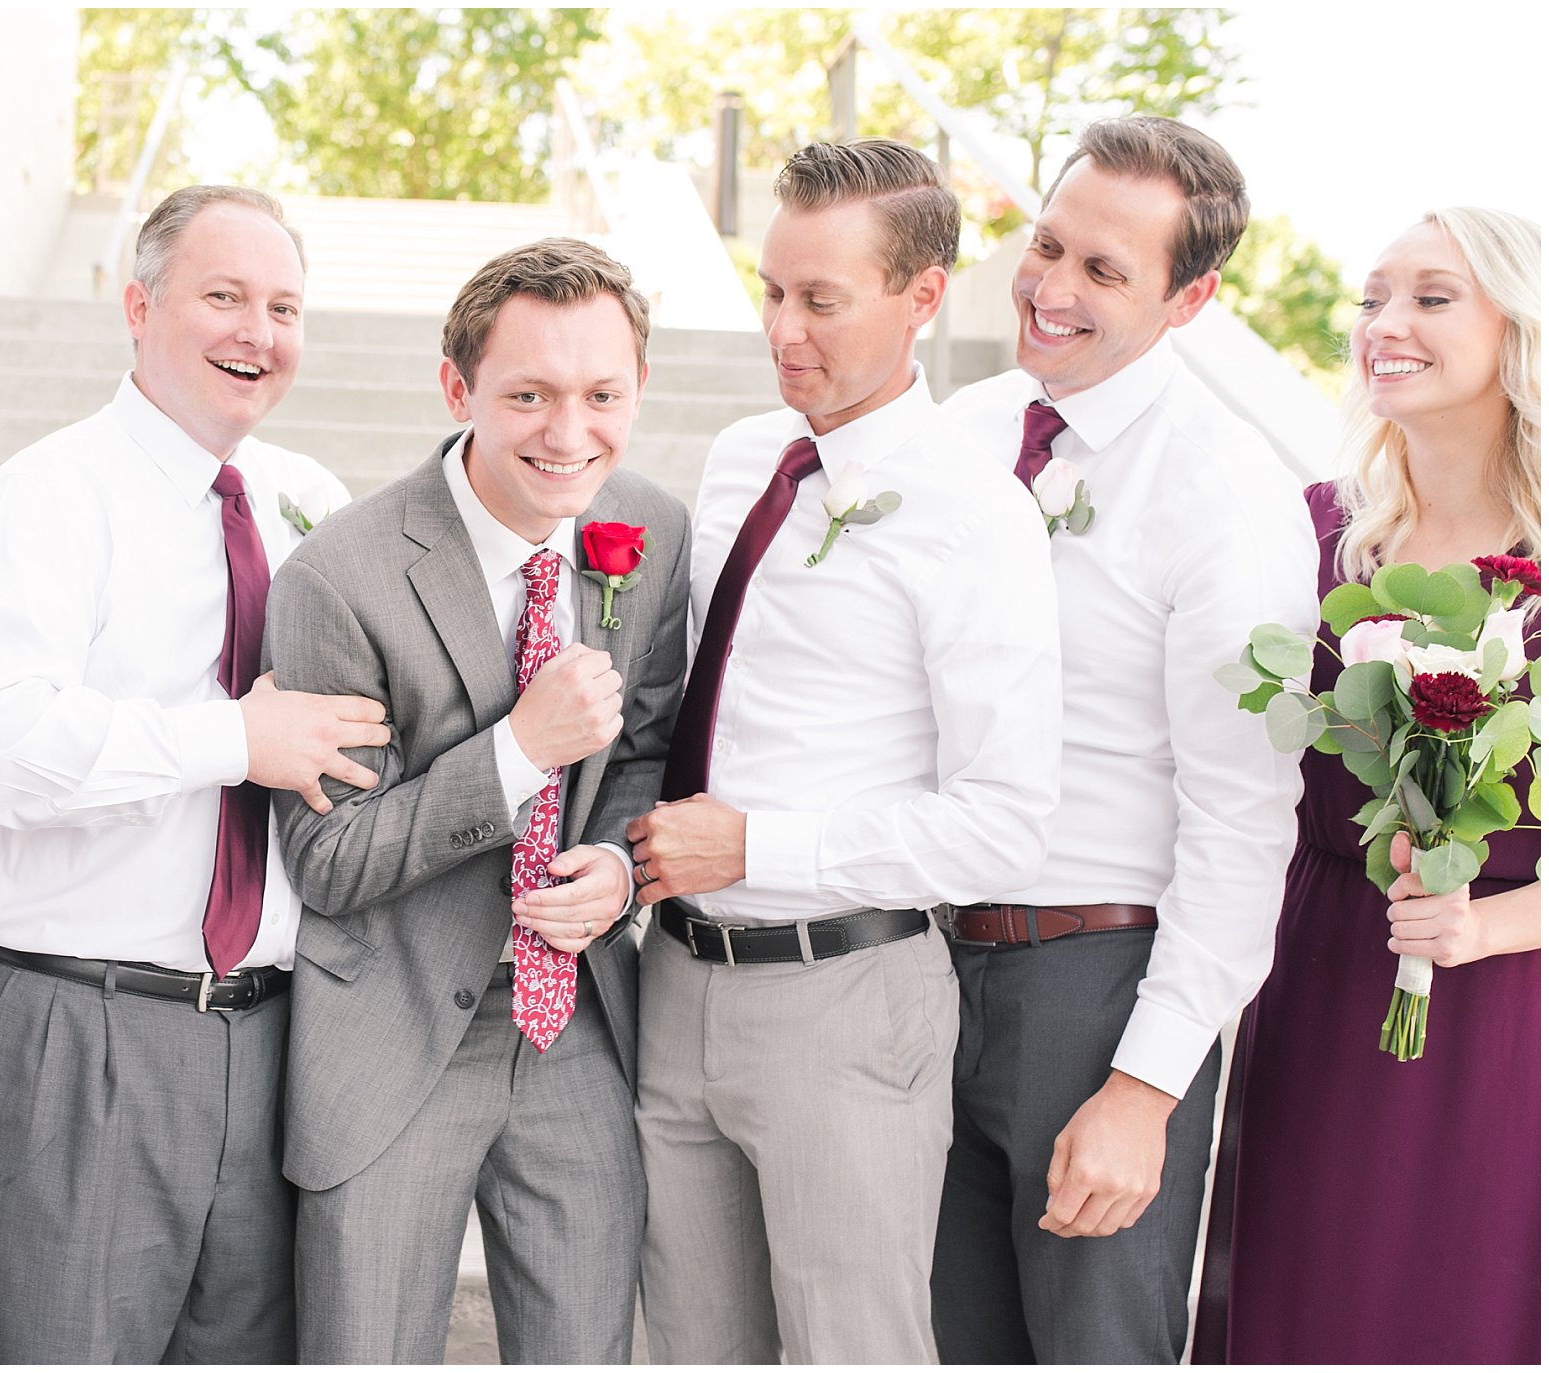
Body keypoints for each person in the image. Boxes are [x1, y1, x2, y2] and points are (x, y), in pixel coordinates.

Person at [0, 184, 385, 1363]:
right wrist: (229, 739)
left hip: (271, 1039)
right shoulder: (49, 495)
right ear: (136, 306)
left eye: (283, 306)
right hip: (81, 1031)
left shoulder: (307, 503)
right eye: (223, 296)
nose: (258, 332)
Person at [622, 140, 1062, 1364]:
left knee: (849, 1347)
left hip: (846, 998)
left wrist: (758, 844)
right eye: (771, 290)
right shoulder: (734, 462)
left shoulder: (976, 515)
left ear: (922, 297)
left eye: (821, 300)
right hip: (674, 980)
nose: (782, 330)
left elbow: (1003, 820)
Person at [931, 115, 1318, 1363]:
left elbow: (1241, 819)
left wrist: (1145, 1084)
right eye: (1046, 245)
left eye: (1104, 271)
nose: (1049, 288)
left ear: (1189, 298)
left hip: (1094, 991)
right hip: (922, 972)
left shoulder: (1225, 492)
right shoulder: (963, 431)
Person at [265, 237, 689, 1364]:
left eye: (602, 394)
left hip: (578, 1032)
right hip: (396, 1028)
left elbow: (643, 745)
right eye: (529, 395)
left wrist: (614, 868)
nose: (568, 432)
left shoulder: (650, 533)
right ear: (458, 389)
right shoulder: (339, 577)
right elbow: (328, 860)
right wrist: (513, 752)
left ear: (638, 388)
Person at [1195, 207, 1541, 1364]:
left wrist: (1479, 921)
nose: (1383, 324)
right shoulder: (1323, 535)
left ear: (1519, 328)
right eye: (1371, 298)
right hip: (1317, 970)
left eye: (1431, 298)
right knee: (1295, 1297)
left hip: (1496, 1006)